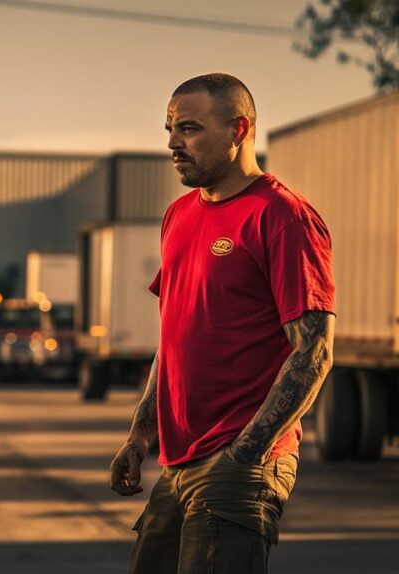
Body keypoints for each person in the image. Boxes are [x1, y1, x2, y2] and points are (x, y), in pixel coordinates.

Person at [110, 73, 335, 573]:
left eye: (188, 128)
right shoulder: (179, 214)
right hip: (178, 459)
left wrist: (245, 454)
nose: (172, 142)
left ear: (239, 129)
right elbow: (173, 341)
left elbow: (313, 352)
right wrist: (139, 435)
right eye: (168, 128)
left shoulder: (282, 216)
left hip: (237, 459)